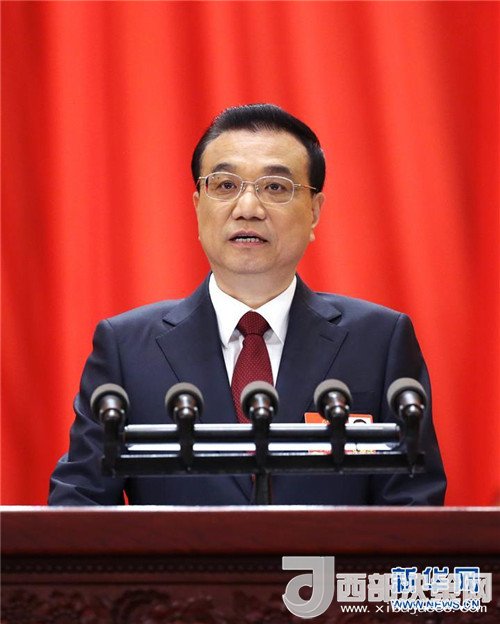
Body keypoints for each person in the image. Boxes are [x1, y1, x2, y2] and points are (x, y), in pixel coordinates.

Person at [49, 103, 446, 506]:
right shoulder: (127, 348)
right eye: (225, 186)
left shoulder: (378, 341)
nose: (248, 209)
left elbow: (414, 504)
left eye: (275, 187)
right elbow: (79, 501)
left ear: (314, 212)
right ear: (197, 205)